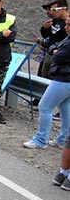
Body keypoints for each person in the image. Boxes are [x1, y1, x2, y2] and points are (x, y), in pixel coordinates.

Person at [23, 17, 70, 149]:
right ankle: (63, 140)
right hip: (65, 78)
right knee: (65, 108)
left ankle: (40, 139)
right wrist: (54, 50)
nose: (66, 27)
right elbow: (55, 50)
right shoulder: (67, 39)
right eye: (66, 24)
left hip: (63, 79)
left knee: (44, 107)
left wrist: (54, 50)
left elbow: (57, 57)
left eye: (69, 25)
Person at [37, 0, 69, 78]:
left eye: (54, 9)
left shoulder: (67, 22)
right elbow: (47, 35)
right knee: (42, 78)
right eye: (52, 10)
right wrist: (45, 28)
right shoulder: (55, 21)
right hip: (50, 53)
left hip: (61, 55)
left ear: (64, 9)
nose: (52, 12)